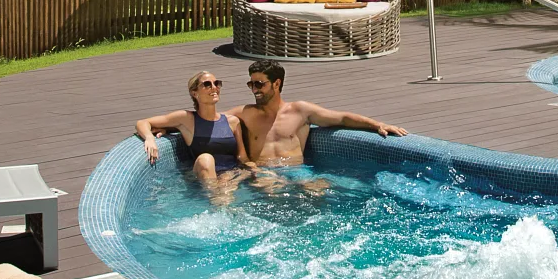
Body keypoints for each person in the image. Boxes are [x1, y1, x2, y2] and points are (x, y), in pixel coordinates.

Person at [234, 59, 407, 170]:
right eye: (251, 84)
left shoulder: (300, 110)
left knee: (321, 190)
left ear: (276, 84)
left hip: (296, 174)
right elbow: (212, 119)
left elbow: (342, 118)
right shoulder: (246, 113)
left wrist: (377, 125)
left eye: (259, 84)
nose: (254, 90)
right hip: (261, 176)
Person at [134, 71, 251, 181]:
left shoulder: (232, 122)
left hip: (231, 176)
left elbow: (242, 158)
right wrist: (149, 138)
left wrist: (257, 173)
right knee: (205, 159)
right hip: (204, 177)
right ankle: (217, 197)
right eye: (207, 84)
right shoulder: (186, 119)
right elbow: (142, 123)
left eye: (217, 83)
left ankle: (220, 198)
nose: (214, 87)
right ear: (194, 93)